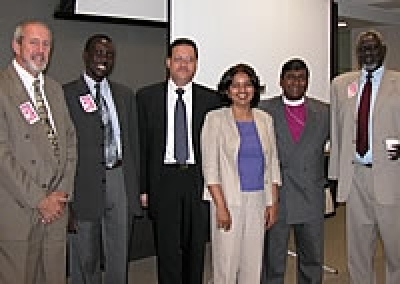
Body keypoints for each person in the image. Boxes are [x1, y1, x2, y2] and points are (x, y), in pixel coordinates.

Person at [136, 38, 221, 284]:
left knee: (196, 247)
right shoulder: (147, 97)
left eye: (189, 60)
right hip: (163, 179)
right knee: (167, 249)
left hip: (197, 179)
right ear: (168, 63)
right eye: (178, 59)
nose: (184, 64)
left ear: (196, 64)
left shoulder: (211, 100)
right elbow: (142, 146)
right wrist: (143, 188)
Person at [0, 20, 77, 284]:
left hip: (56, 208)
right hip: (18, 209)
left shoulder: (54, 90)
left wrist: (60, 196)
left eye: (46, 44)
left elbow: (70, 143)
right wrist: (39, 199)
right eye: (34, 42)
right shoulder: (2, 88)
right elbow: (1, 154)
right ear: (16, 46)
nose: (40, 50)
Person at [63, 34, 142, 284]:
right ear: (86, 56)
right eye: (98, 53)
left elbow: (133, 144)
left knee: (119, 251)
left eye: (108, 55)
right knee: (85, 255)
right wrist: (66, 198)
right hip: (83, 182)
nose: (103, 59)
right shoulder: (66, 94)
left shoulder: (125, 94)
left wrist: (136, 188)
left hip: (119, 179)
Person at [329, 30, 400, 284]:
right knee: (357, 250)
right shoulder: (341, 85)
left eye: (372, 48)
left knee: (395, 250)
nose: (367, 54)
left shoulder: (398, 82)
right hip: (355, 176)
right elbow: (337, 133)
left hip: (391, 177)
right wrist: (335, 176)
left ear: (383, 51)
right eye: (362, 49)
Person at [201, 63, 281, 283]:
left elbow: (273, 162)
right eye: (235, 85)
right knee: (226, 264)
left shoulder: (265, 119)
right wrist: (221, 207)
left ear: (254, 88)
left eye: (247, 85)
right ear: (227, 90)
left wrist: (273, 202)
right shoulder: (215, 119)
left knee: (252, 264)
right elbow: (210, 168)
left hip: (258, 200)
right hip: (227, 200)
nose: (242, 90)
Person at [259, 58, 329, 284]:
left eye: (301, 78)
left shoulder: (324, 112)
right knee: (273, 259)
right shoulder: (264, 110)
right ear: (281, 81)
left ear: (307, 81)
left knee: (312, 258)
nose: (296, 82)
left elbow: (344, 142)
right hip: (277, 196)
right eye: (290, 77)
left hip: (311, 195)